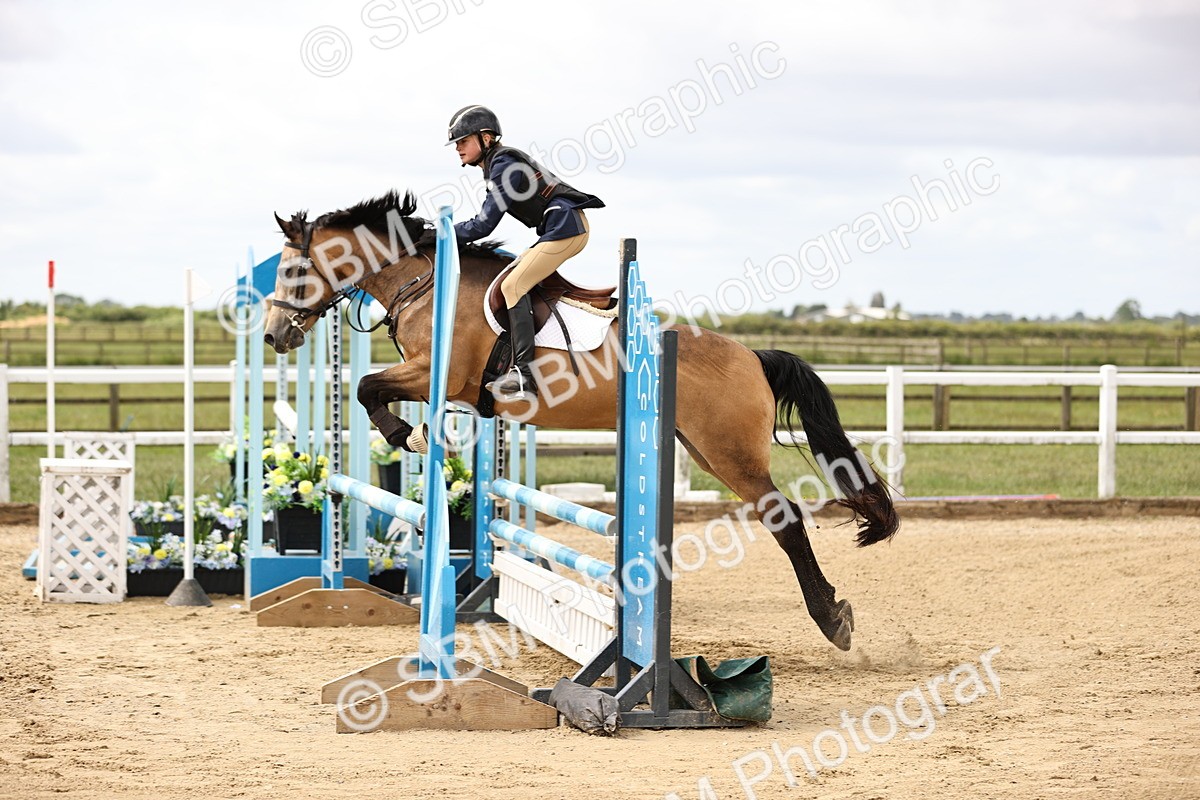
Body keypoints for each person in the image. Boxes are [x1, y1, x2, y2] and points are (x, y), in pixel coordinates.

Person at [447, 105, 604, 400]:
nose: (458, 148)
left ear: (486, 138)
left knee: (512, 285)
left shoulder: (503, 164)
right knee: (511, 277)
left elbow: (483, 225)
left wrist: (442, 234)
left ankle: (524, 376)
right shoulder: (496, 164)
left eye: (463, 141)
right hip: (560, 229)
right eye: (456, 143)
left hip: (566, 229)